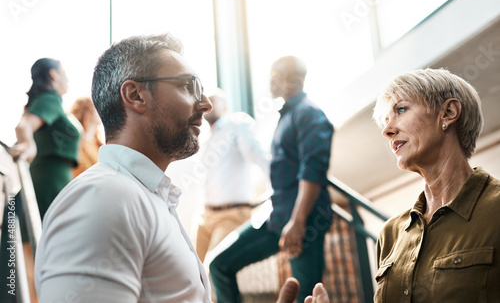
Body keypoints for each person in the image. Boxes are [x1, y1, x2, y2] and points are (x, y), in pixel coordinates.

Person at [34, 34, 214, 302]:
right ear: (135, 95)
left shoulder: (142, 195)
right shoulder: (105, 197)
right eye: (188, 86)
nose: (205, 104)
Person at [209, 56, 334, 303]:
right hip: (276, 215)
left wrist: (298, 222)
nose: (269, 81)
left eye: (272, 75)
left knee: (305, 296)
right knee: (219, 265)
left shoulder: (308, 113)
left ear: (285, 78)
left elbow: (312, 169)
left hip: (305, 222)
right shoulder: (287, 116)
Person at [372, 68, 500, 302]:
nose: (387, 131)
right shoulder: (389, 234)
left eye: (400, 109)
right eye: (385, 120)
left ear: (448, 113)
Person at [195, 88, 270, 263]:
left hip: (232, 214)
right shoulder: (205, 137)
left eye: (214, 100)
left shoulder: (236, 126)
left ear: (226, 108)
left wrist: (277, 194)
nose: (207, 103)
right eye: (205, 100)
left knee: (214, 269)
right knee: (193, 271)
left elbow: (259, 158)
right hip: (205, 216)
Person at [11, 58, 79, 219]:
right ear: (53, 74)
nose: (67, 78)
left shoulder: (45, 100)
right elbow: (23, 126)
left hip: (51, 178)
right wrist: (28, 143)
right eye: (64, 73)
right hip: (50, 182)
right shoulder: (50, 98)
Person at [70, 96, 103, 177]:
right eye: (96, 106)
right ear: (87, 111)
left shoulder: (99, 144)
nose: (101, 109)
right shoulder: (77, 143)